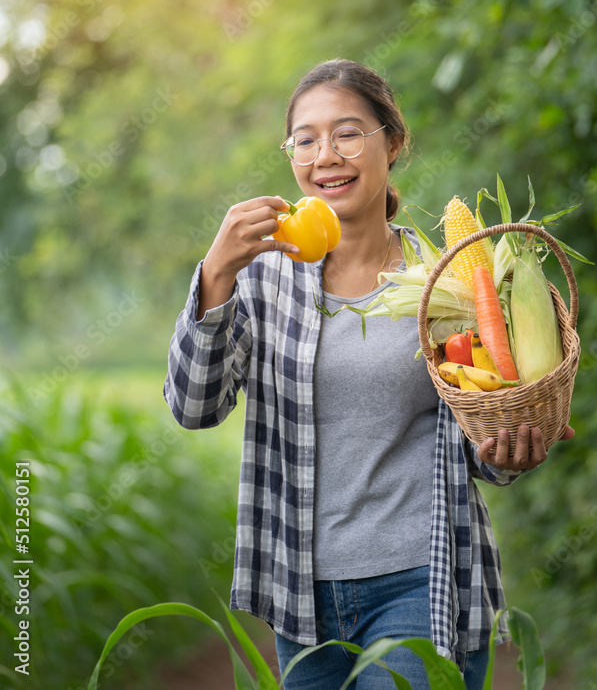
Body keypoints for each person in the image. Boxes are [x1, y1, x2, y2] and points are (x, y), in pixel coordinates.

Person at [163, 58, 574, 690]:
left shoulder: (444, 280)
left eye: (348, 132)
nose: (326, 154)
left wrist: (507, 454)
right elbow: (194, 406)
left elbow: (481, 421)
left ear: (394, 142)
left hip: (422, 576)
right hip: (300, 592)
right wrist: (215, 275)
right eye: (306, 139)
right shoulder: (260, 278)